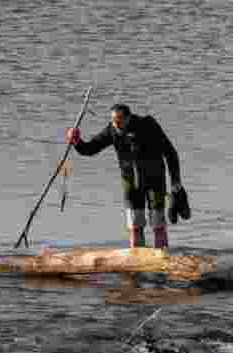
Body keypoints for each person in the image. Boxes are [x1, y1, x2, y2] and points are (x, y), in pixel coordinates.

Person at [65, 103, 189, 250]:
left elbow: (170, 153)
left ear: (128, 118)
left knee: (158, 225)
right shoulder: (112, 130)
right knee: (135, 227)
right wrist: (76, 141)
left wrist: (176, 182)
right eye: (113, 122)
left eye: (119, 122)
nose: (116, 126)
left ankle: (162, 258)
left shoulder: (148, 125)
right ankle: (137, 261)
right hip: (130, 184)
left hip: (154, 181)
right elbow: (90, 149)